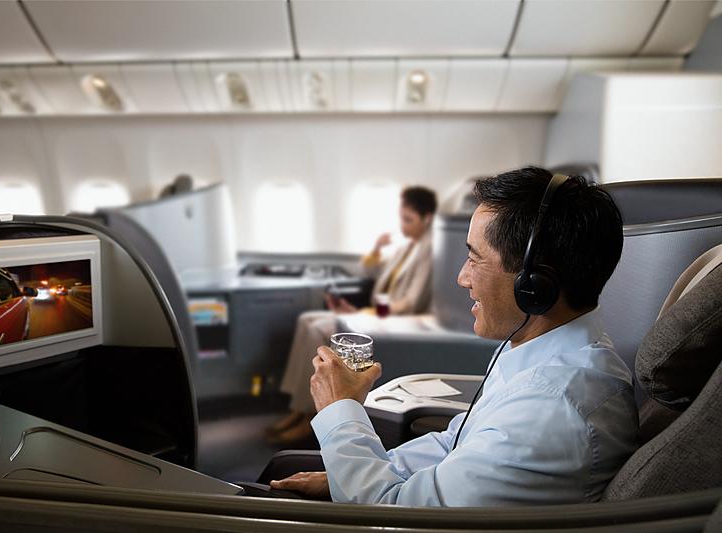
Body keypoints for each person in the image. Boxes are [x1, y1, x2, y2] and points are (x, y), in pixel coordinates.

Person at [270, 167, 639, 506]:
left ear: (535, 285)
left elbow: (387, 516)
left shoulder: (549, 412)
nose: (462, 278)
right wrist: (351, 471)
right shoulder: (538, 354)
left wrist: (340, 410)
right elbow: (455, 444)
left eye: (475, 259)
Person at [269, 186, 438, 444]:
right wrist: (377, 249)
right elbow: (372, 275)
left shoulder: (429, 251)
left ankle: (309, 417)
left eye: (409, 220)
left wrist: (364, 312)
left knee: (317, 330)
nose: (403, 226)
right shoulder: (407, 247)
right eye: (401, 218)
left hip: (395, 321)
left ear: (427, 219)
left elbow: (410, 302)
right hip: (376, 313)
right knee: (307, 320)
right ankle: (296, 409)